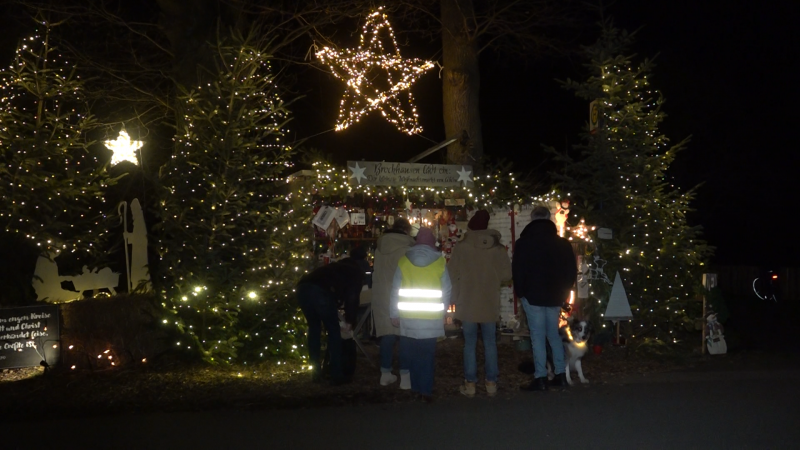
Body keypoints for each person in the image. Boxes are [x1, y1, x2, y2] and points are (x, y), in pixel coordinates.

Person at [512, 206, 577, 391]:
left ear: (532, 219)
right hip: (555, 295)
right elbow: (571, 271)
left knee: (537, 337)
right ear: (549, 219)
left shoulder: (524, 243)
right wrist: (564, 292)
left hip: (532, 296)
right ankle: (560, 374)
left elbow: (518, 270)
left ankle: (540, 376)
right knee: (553, 335)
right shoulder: (563, 244)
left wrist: (521, 292)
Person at [448, 210, 512, 397]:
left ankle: (470, 384)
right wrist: (493, 278)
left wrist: (455, 294)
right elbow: (507, 275)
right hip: (489, 301)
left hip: (467, 302)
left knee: (469, 343)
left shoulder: (462, 247)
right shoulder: (498, 249)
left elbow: (452, 273)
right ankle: (491, 383)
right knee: (490, 343)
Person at [389, 227, 451, 402]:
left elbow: (395, 290)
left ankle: (415, 388)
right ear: (432, 243)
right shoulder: (440, 262)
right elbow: (447, 290)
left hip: (408, 318)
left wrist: (394, 313)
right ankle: (426, 391)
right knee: (427, 356)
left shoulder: (404, 261)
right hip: (431, 319)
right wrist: (443, 311)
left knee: (413, 355)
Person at [296, 250, 366, 385]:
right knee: (334, 332)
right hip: (321, 292)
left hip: (302, 289)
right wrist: (350, 320)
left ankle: (315, 371)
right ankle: (336, 373)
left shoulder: (333, 268)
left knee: (314, 328)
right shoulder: (355, 273)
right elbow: (352, 298)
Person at [371, 218, 415, 388]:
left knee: (387, 335)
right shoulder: (407, 249)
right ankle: (405, 377)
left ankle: (385, 373)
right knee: (404, 335)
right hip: (400, 294)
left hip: (381, 294)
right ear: (406, 230)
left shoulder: (380, 247)